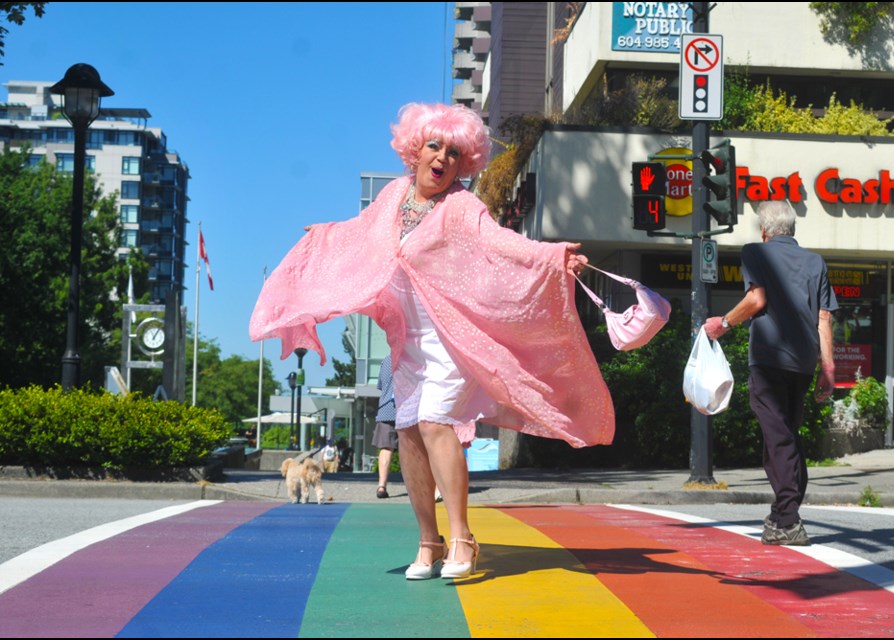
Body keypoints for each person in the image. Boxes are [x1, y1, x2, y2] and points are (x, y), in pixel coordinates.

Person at [250, 102, 614, 580]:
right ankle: (429, 541)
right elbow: (357, 233)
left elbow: (501, 241)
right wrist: (325, 235)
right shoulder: (393, 197)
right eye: (435, 145)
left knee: (435, 420)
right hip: (409, 342)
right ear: (414, 150)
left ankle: (462, 537)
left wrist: (551, 254)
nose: (443, 157)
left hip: (451, 335)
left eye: (455, 152)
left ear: (465, 163)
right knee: (408, 434)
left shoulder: (463, 206)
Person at [704, 200, 837, 546]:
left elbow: (756, 299)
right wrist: (828, 366)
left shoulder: (755, 253)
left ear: (764, 231)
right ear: (792, 229)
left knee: (778, 438)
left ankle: (789, 519)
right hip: (803, 362)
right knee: (783, 435)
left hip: (768, 359)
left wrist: (723, 323)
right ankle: (781, 516)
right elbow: (824, 318)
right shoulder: (815, 262)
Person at [374, 352, 399, 499]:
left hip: (386, 409)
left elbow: (381, 386)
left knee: (386, 448)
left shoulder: (386, 360)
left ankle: (381, 486)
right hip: (406, 408)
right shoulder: (412, 356)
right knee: (413, 451)